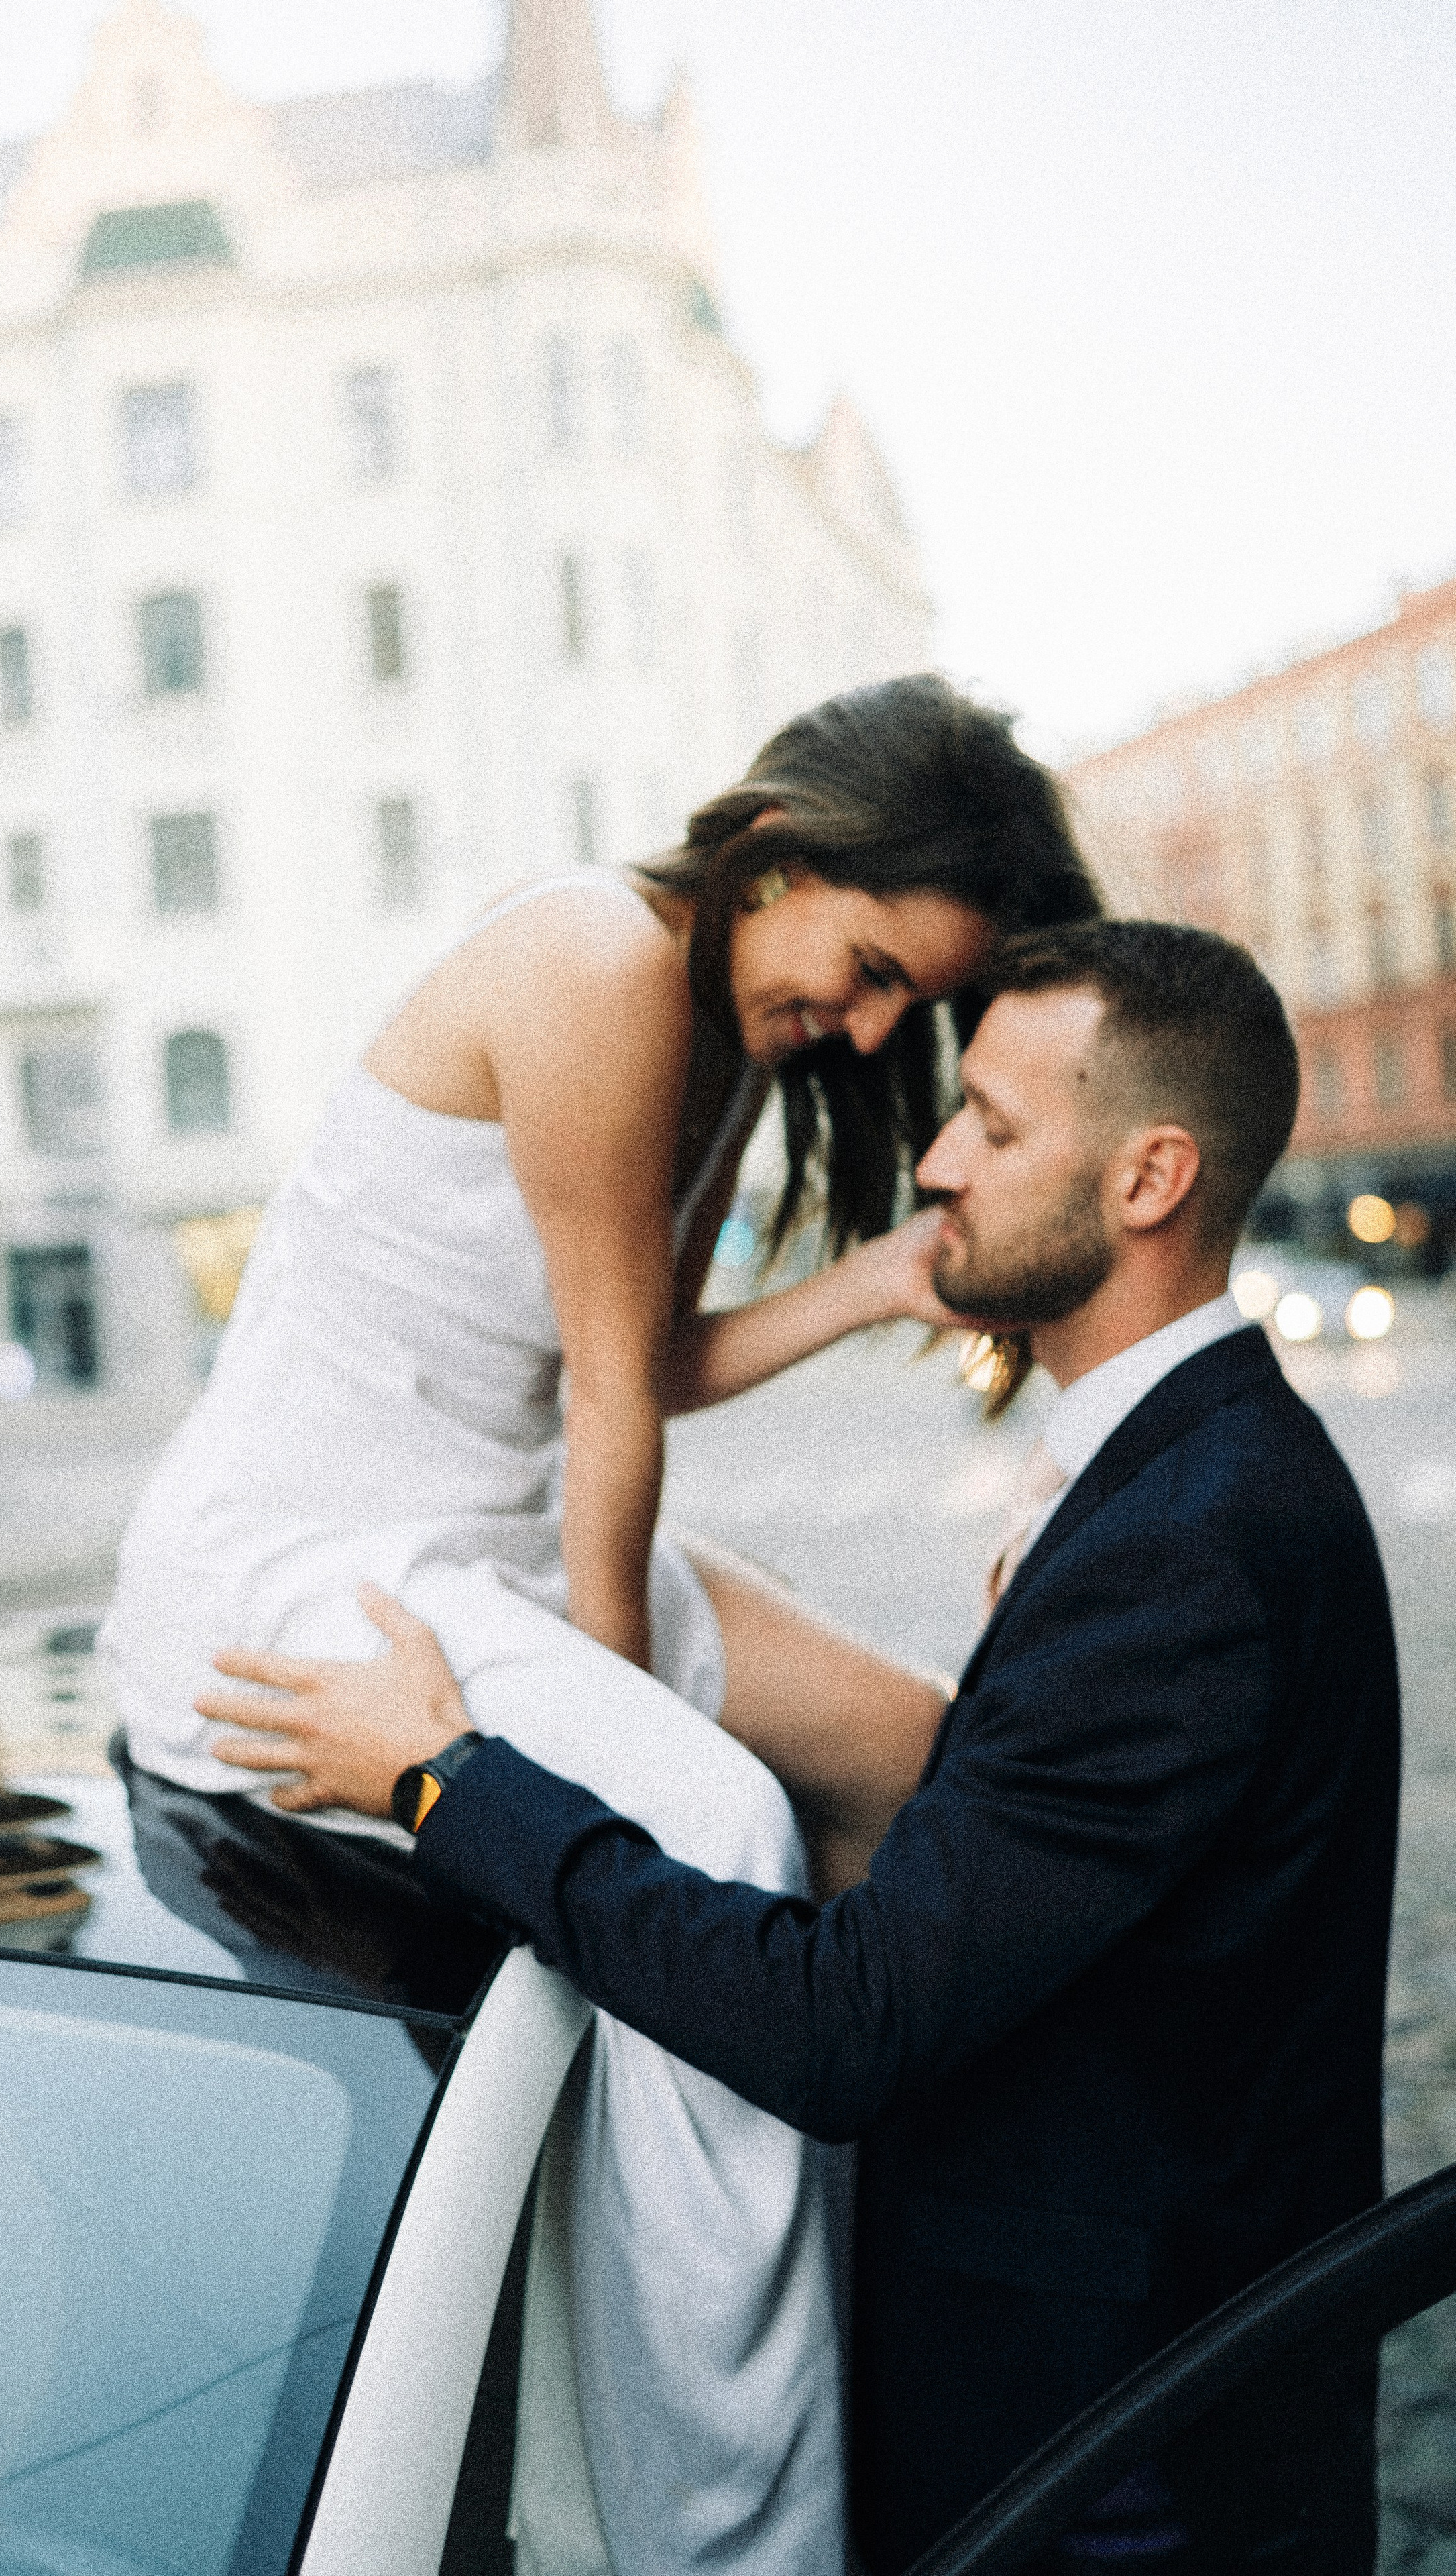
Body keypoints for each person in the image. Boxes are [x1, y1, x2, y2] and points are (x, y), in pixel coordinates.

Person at [199, 922, 1402, 2575]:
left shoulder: (1187, 1549)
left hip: (1116, 2463)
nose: (932, 1160)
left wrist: (440, 1781)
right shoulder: (1175, 1481)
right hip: (1093, 2412)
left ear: (1147, 1180)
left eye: (988, 1122)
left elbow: (848, 2023)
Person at [102, 676, 1101, 2576]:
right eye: (876, 966)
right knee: (711, 1827)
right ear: (784, 851)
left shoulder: (720, 1025)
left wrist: (877, 1276)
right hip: (299, 1568)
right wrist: (617, 1747)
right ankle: (707, 2526)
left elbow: (638, 1359)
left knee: (911, 1760)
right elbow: (611, 1413)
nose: (874, 1027)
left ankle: (867, 2271)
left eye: (914, 1007)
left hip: (476, 1536)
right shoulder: (597, 967)